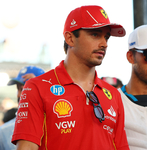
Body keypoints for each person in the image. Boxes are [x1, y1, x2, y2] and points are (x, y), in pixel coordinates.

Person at [11, 5, 129, 150]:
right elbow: (26, 147)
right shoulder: (37, 87)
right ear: (70, 38)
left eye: (106, 37)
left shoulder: (114, 95)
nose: (104, 44)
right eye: (95, 35)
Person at [0, 66, 45, 150]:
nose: (18, 95)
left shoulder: (58, 126)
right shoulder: (3, 132)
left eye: (23, 89)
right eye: (18, 89)